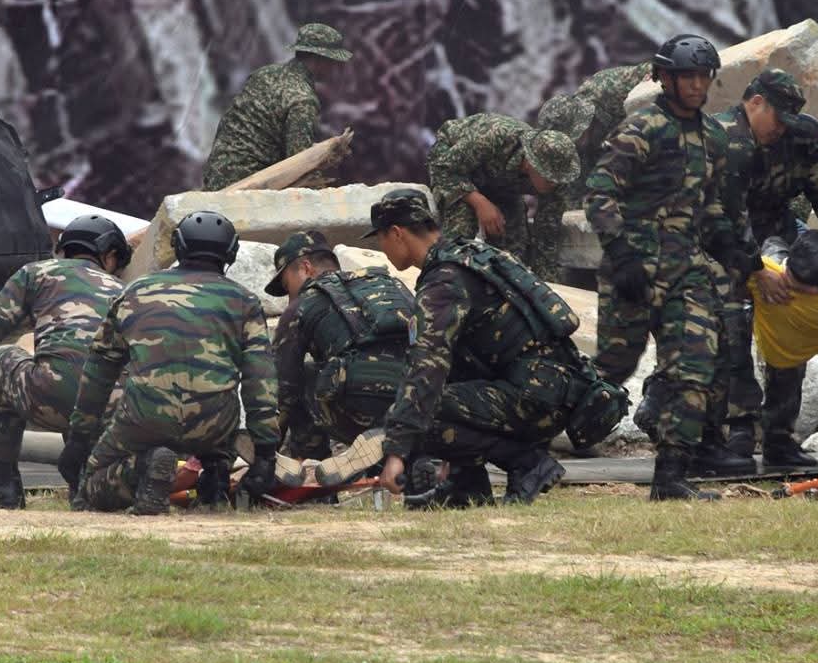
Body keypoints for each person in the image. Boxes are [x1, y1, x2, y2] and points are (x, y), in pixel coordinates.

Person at [585, 34, 758, 501]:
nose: (696, 85)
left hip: (687, 271)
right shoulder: (641, 129)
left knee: (694, 367)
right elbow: (599, 194)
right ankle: (532, 441)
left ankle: (671, 475)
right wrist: (620, 254)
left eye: (703, 76)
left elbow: (714, 206)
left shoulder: (714, 137)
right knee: (611, 371)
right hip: (633, 270)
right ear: (664, 78)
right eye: (687, 76)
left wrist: (733, 250)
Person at [370, 188, 618, 507]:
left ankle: (527, 464)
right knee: (441, 386)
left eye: (380, 239)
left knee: (417, 406)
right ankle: (466, 487)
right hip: (553, 390)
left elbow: (425, 368)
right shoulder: (472, 257)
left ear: (397, 234)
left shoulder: (443, 283)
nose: (381, 247)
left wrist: (397, 452)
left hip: (535, 399)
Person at [68, 211, 279, 514]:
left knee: (90, 491)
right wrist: (266, 453)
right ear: (230, 253)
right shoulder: (244, 300)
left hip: (144, 419)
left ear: (178, 247)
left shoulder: (136, 291)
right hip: (213, 424)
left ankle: (145, 468)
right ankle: (216, 477)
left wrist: (80, 435)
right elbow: (261, 378)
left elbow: (100, 366)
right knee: (221, 418)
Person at [0, 215, 130, 509]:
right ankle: (87, 487)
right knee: (94, 375)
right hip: (112, 411)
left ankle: (4, 486)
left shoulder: (36, 273)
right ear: (110, 255)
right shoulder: (126, 290)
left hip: (52, 399)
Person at [701, 68, 818, 472]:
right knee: (732, 329)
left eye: (789, 121)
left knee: (792, 322)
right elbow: (726, 219)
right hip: (720, 243)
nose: (781, 131)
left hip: (776, 228)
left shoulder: (803, 135)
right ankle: (737, 431)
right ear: (754, 104)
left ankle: (779, 438)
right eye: (777, 119)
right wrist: (757, 271)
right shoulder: (723, 138)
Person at [265, 229, 414, 468]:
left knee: (300, 377)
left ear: (305, 267)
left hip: (359, 411)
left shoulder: (303, 304)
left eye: (287, 284)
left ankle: (313, 471)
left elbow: (282, 386)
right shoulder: (388, 286)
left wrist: (265, 453)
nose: (289, 297)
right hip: (413, 407)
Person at [745, 229, 818, 469]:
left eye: (805, 287)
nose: (794, 290)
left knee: (786, 389)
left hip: (790, 350)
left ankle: (778, 446)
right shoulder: (767, 274)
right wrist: (759, 271)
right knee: (772, 245)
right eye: (792, 282)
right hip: (774, 319)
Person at [527, 62, 652, 280]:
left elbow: (658, 69)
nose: (577, 142)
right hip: (596, 164)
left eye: (578, 135)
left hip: (647, 152)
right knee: (568, 213)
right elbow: (551, 213)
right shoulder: (568, 155)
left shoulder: (607, 88)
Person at [200, 23, 352, 189]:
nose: (335, 67)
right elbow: (300, 166)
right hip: (247, 187)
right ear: (319, 59)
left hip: (216, 176)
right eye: (332, 61)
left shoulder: (264, 74)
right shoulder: (302, 100)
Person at [426, 114, 579, 265]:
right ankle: (449, 276)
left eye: (558, 179)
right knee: (462, 229)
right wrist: (479, 202)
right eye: (549, 177)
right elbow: (442, 168)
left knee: (515, 247)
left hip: (501, 184)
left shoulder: (559, 178)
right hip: (455, 167)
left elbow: (548, 235)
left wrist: (540, 283)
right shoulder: (495, 137)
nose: (554, 184)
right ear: (531, 163)